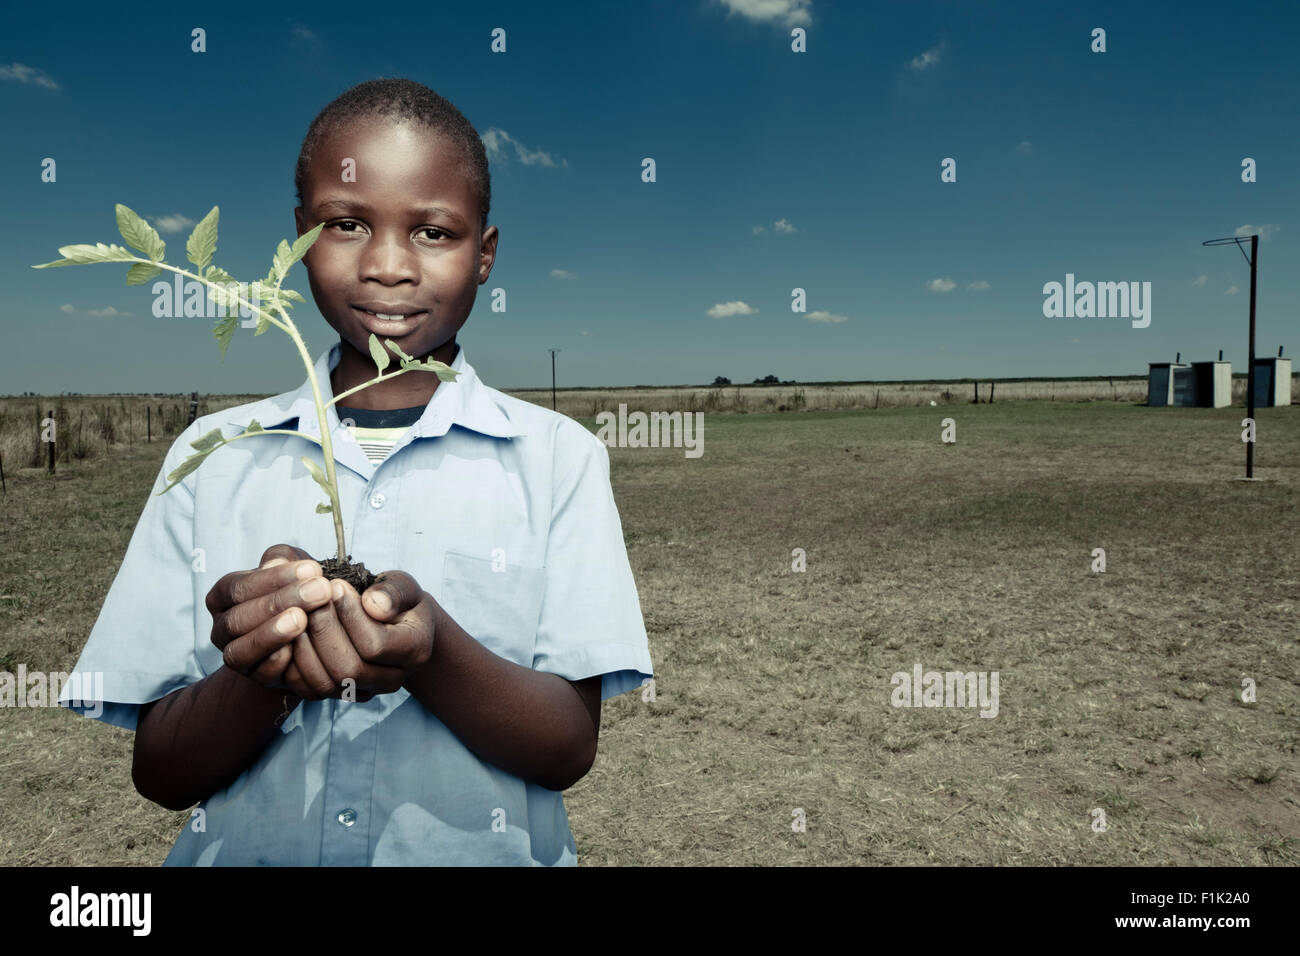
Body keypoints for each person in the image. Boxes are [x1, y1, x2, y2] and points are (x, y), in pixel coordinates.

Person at [58, 78, 653, 866]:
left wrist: (434, 652)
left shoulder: (556, 458)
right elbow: (162, 773)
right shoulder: (215, 453)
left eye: (434, 232)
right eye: (346, 224)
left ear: (486, 254)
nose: (387, 266)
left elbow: (567, 748)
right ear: (301, 235)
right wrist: (261, 670)